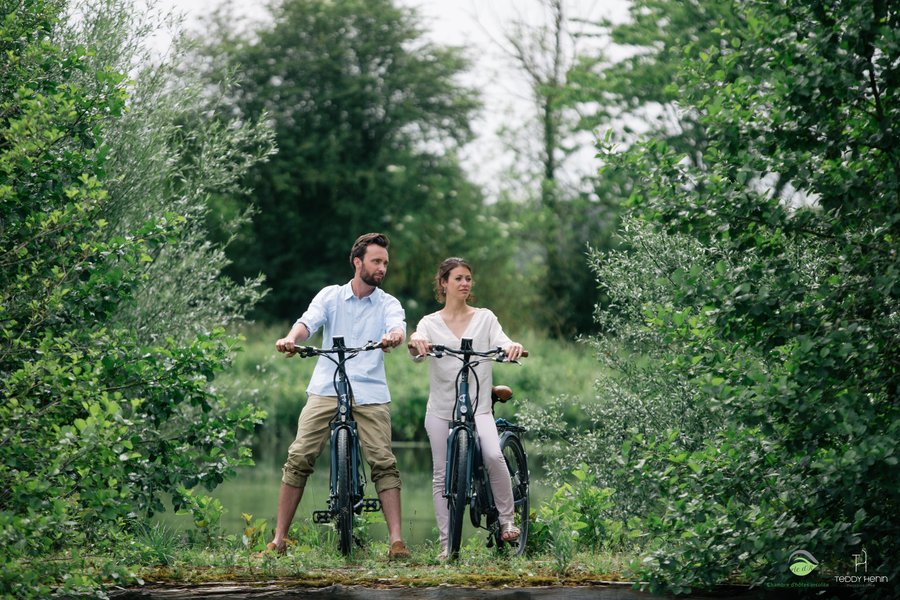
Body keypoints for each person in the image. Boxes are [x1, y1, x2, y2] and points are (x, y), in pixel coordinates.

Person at [259, 232, 411, 560]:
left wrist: (394, 336)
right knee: (299, 455)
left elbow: (397, 326)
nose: (382, 268)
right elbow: (307, 323)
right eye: (376, 261)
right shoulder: (330, 296)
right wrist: (291, 339)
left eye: (385, 263)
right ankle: (279, 540)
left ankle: (396, 542)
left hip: (370, 390)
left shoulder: (388, 303)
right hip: (327, 386)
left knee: (383, 461)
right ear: (357, 262)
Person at [407, 257, 524, 560]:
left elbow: (502, 341)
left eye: (468, 278)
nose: (464, 283)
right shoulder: (429, 322)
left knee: (493, 455)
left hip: (478, 407)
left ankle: (507, 520)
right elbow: (417, 344)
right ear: (443, 283)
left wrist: (511, 347)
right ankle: (446, 545)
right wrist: (417, 340)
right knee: (440, 475)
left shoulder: (485, 318)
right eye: (458, 278)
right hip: (441, 409)